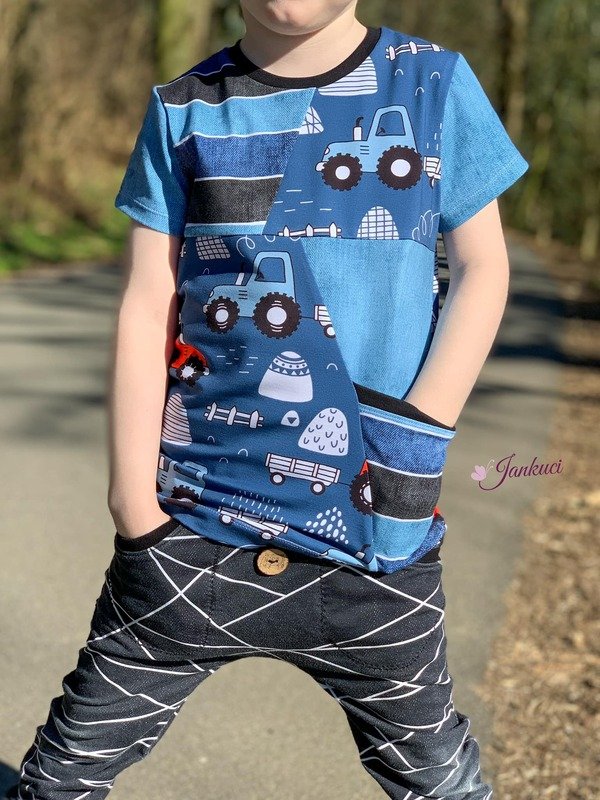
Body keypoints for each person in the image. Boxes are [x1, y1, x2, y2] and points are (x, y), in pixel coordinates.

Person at [6, 1, 528, 798]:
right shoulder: (182, 109)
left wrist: (412, 445)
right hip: (188, 530)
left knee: (439, 780)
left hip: (376, 533)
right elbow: (147, 303)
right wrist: (133, 504)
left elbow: (484, 269)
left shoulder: (433, 83)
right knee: (62, 775)